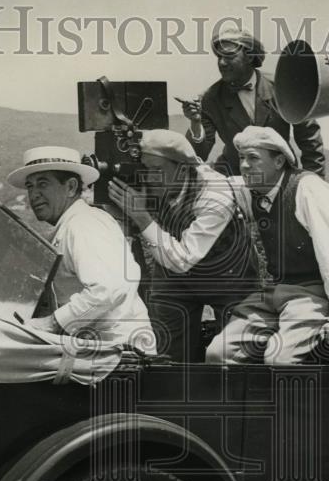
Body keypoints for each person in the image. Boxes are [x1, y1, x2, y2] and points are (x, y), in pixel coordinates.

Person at [205, 126, 329, 366]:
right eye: (242, 158)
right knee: (217, 354)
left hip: (311, 294)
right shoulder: (253, 189)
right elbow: (210, 180)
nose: (244, 165)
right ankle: (243, 403)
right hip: (274, 293)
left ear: (278, 161)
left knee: (279, 359)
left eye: (253, 158)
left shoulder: (308, 189)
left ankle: (292, 403)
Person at [107, 129, 256, 361]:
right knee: (168, 353)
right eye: (146, 169)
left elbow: (183, 258)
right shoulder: (153, 182)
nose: (150, 178)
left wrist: (142, 216)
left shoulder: (215, 195)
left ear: (183, 168)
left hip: (230, 277)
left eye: (157, 170)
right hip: (176, 276)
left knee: (235, 356)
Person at [7, 145, 156, 353]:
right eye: (30, 186)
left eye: (43, 184)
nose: (34, 194)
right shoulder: (70, 225)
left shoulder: (84, 224)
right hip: (100, 352)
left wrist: (52, 323)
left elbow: (107, 289)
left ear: (70, 187)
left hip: (120, 355)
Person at [183, 24, 325, 177]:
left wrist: (313, 182)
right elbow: (197, 156)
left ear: (250, 56)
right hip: (235, 178)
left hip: (281, 175)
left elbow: (310, 142)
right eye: (219, 57)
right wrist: (196, 124)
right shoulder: (210, 98)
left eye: (229, 56)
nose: (222, 63)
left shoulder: (284, 87)